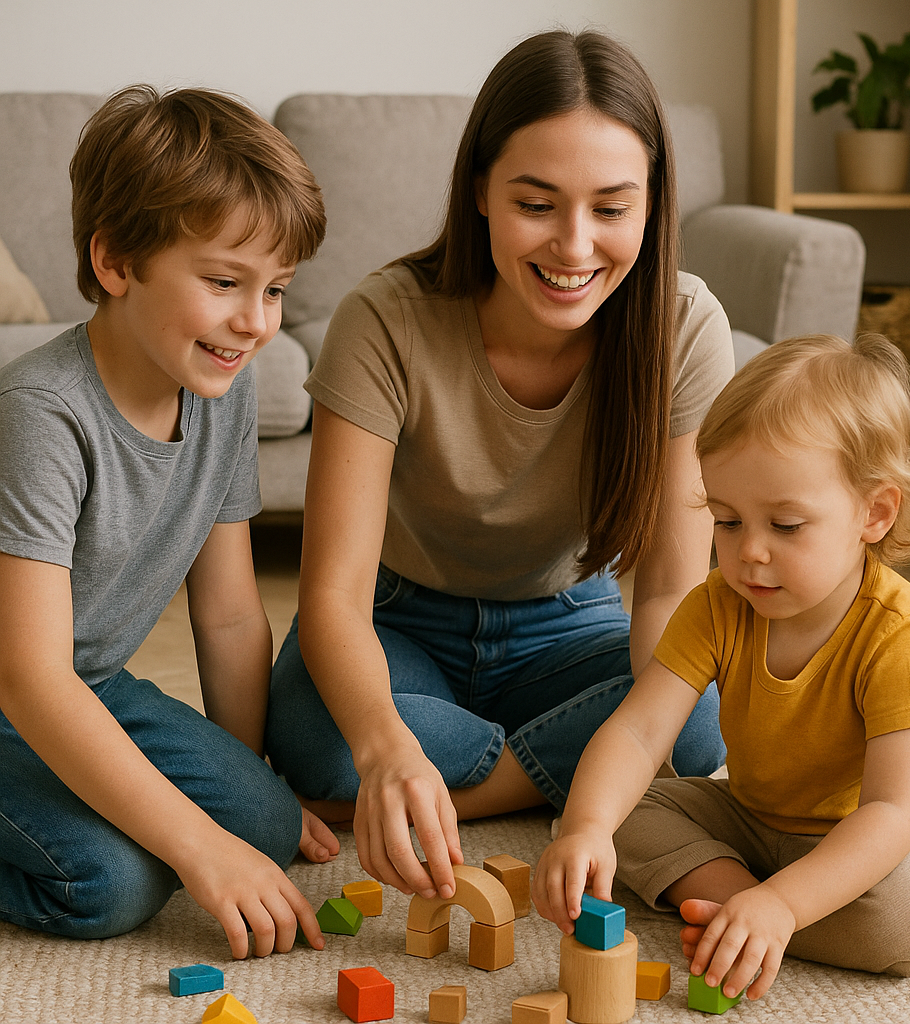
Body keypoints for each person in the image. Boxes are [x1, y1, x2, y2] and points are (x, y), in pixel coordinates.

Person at [264, 29, 733, 904]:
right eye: (537, 203)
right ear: (480, 190)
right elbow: (330, 595)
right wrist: (384, 747)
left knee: (698, 720)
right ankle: (528, 762)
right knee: (322, 741)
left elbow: (671, 592)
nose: (574, 246)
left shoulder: (684, 328)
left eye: (610, 208)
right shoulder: (386, 319)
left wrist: (406, 767)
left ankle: (451, 790)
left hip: (569, 622)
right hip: (399, 620)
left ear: (651, 204)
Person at [533, 333, 910, 999]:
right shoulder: (717, 605)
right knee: (612, 809)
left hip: (886, 842)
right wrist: (588, 827)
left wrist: (788, 905)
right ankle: (743, 910)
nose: (750, 555)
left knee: (902, 920)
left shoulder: (902, 636)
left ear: (875, 513)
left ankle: (756, 914)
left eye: (787, 526)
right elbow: (638, 733)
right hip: (753, 818)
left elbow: (892, 810)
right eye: (728, 521)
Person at [0, 85, 340, 958]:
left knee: (261, 824)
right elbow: (30, 680)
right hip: (18, 689)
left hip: (94, 686)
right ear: (115, 263)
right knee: (110, 882)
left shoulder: (222, 389)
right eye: (225, 283)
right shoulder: (42, 413)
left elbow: (227, 613)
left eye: (275, 291)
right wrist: (198, 847)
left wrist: (242, 803)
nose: (254, 323)